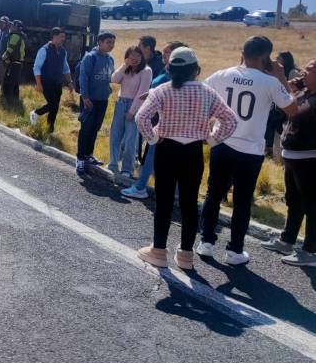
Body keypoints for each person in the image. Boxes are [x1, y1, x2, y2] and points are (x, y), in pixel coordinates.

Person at [196, 36, 297, 265]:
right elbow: (292, 108)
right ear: (266, 57)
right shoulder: (269, 82)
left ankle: (206, 242)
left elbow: (201, 92)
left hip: (222, 143)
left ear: (243, 52)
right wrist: (281, 77)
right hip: (250, 150)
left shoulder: (222, 74)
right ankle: (235, 251)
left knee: (214, 194)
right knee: (242, 201)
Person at [135, 47, 237, 270]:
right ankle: (186, 255)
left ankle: (159, 250)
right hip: (192, 152)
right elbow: (230, 120)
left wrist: (152, 138)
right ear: (196, 70)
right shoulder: (207, 92)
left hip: (166, 149)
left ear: (169, 69)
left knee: (164, 201)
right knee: (189, 203)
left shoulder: (162, 90)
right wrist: (211, 139)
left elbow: (141, 117)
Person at [262, 59, 316, 266]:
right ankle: (287, 240)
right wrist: (285, 82)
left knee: (312, 206)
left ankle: (310, 252)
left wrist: (283, 80)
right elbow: (288, 106)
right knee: (294, 201)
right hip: (293, 157)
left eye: (310, 69)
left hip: (310, 160)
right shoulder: (306, 93)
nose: (304, 72)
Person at [121, 41, 186, 199]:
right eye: (163, 52)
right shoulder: (168, 71)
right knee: (160, 157)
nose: (163, 54)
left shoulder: (176, 76)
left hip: (164, 122)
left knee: (153, 156)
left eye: (167, 52)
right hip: (159, 120)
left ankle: (142, 187)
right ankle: (172, 191)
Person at [108, 46, 153, 178]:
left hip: (135, 105)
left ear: (142, 57)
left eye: (137, 56)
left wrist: (132, 111)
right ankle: (113, 164)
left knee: (130, 139)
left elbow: (142, 93)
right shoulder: (126, 68)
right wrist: (124, 65)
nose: (134, 58)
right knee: (115, 135)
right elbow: (114, 79)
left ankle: (127, 169)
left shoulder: (146, 70)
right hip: (121, 103)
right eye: (131, 56)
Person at [76, 32, 116, 175]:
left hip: (102, 100)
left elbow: (111, 77)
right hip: (89, 100)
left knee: (95, 128)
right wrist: (85, 97)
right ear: (99, 42)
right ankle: (80, 158)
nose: (111, 45)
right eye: (108, 42)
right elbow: (83, 77)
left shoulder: (110, 59)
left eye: (112, 42)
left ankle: (89, 154)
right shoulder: (90, 57)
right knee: (86, 129)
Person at [29, 27, 73, 132]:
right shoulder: (44, 50)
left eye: (64, 37)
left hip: (57, 83)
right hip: (46, 83)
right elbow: (37, 67)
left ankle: (50, 129)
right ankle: (35, 113)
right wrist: (39, 84)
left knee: (55, 107)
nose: (63, 39)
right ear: (54, 37)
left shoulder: (63, 51)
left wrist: (69, 82)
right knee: (52, 104)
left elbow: (65, 68)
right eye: (61, 37)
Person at [265, 51, 302, 159]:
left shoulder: (293, 72)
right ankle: (269, 147)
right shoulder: (277, 72)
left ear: (285, 60)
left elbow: (293, 90)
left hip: (289, 105)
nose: (276, 60)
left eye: (279, 58)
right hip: (279, 105)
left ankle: (269, 148)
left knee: (273, 120)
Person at [1, 20, 26, 105]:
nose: (10, 27)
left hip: (13, 62)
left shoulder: (15, 36)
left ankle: (8, 102)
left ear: (16, 27)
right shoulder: (21, 36)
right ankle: (15, 101)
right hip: (18, 63)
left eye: (12, 25)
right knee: (15, 83)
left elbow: (10, 49)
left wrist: (3, 57)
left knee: (8, 83)